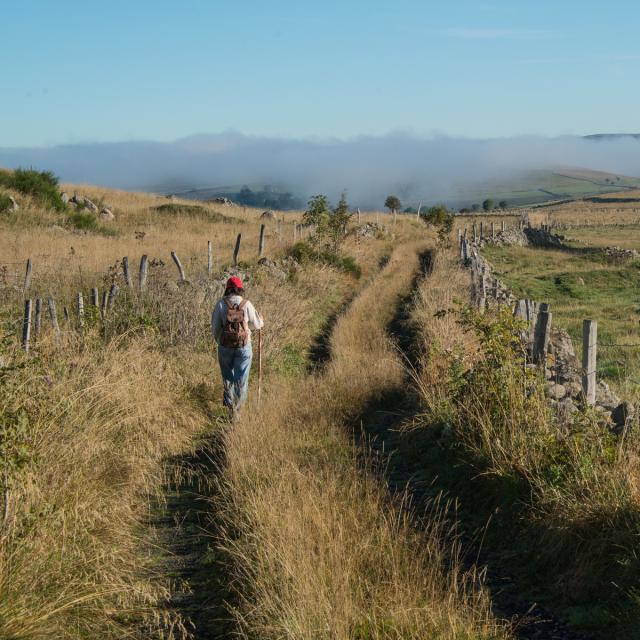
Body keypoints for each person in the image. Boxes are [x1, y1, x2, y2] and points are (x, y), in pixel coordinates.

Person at [211, 276, 264, 418]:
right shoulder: (246, 304)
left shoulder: (221, 304)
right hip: (243, 347)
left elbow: (215, 328)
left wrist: (220, 342)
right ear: (240, 289)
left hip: (225, 347)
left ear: (227, 288)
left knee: (227, 377)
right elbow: (257, 325)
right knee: (242, 378)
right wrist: (259, 321)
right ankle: (238, 412)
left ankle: (230, 409)